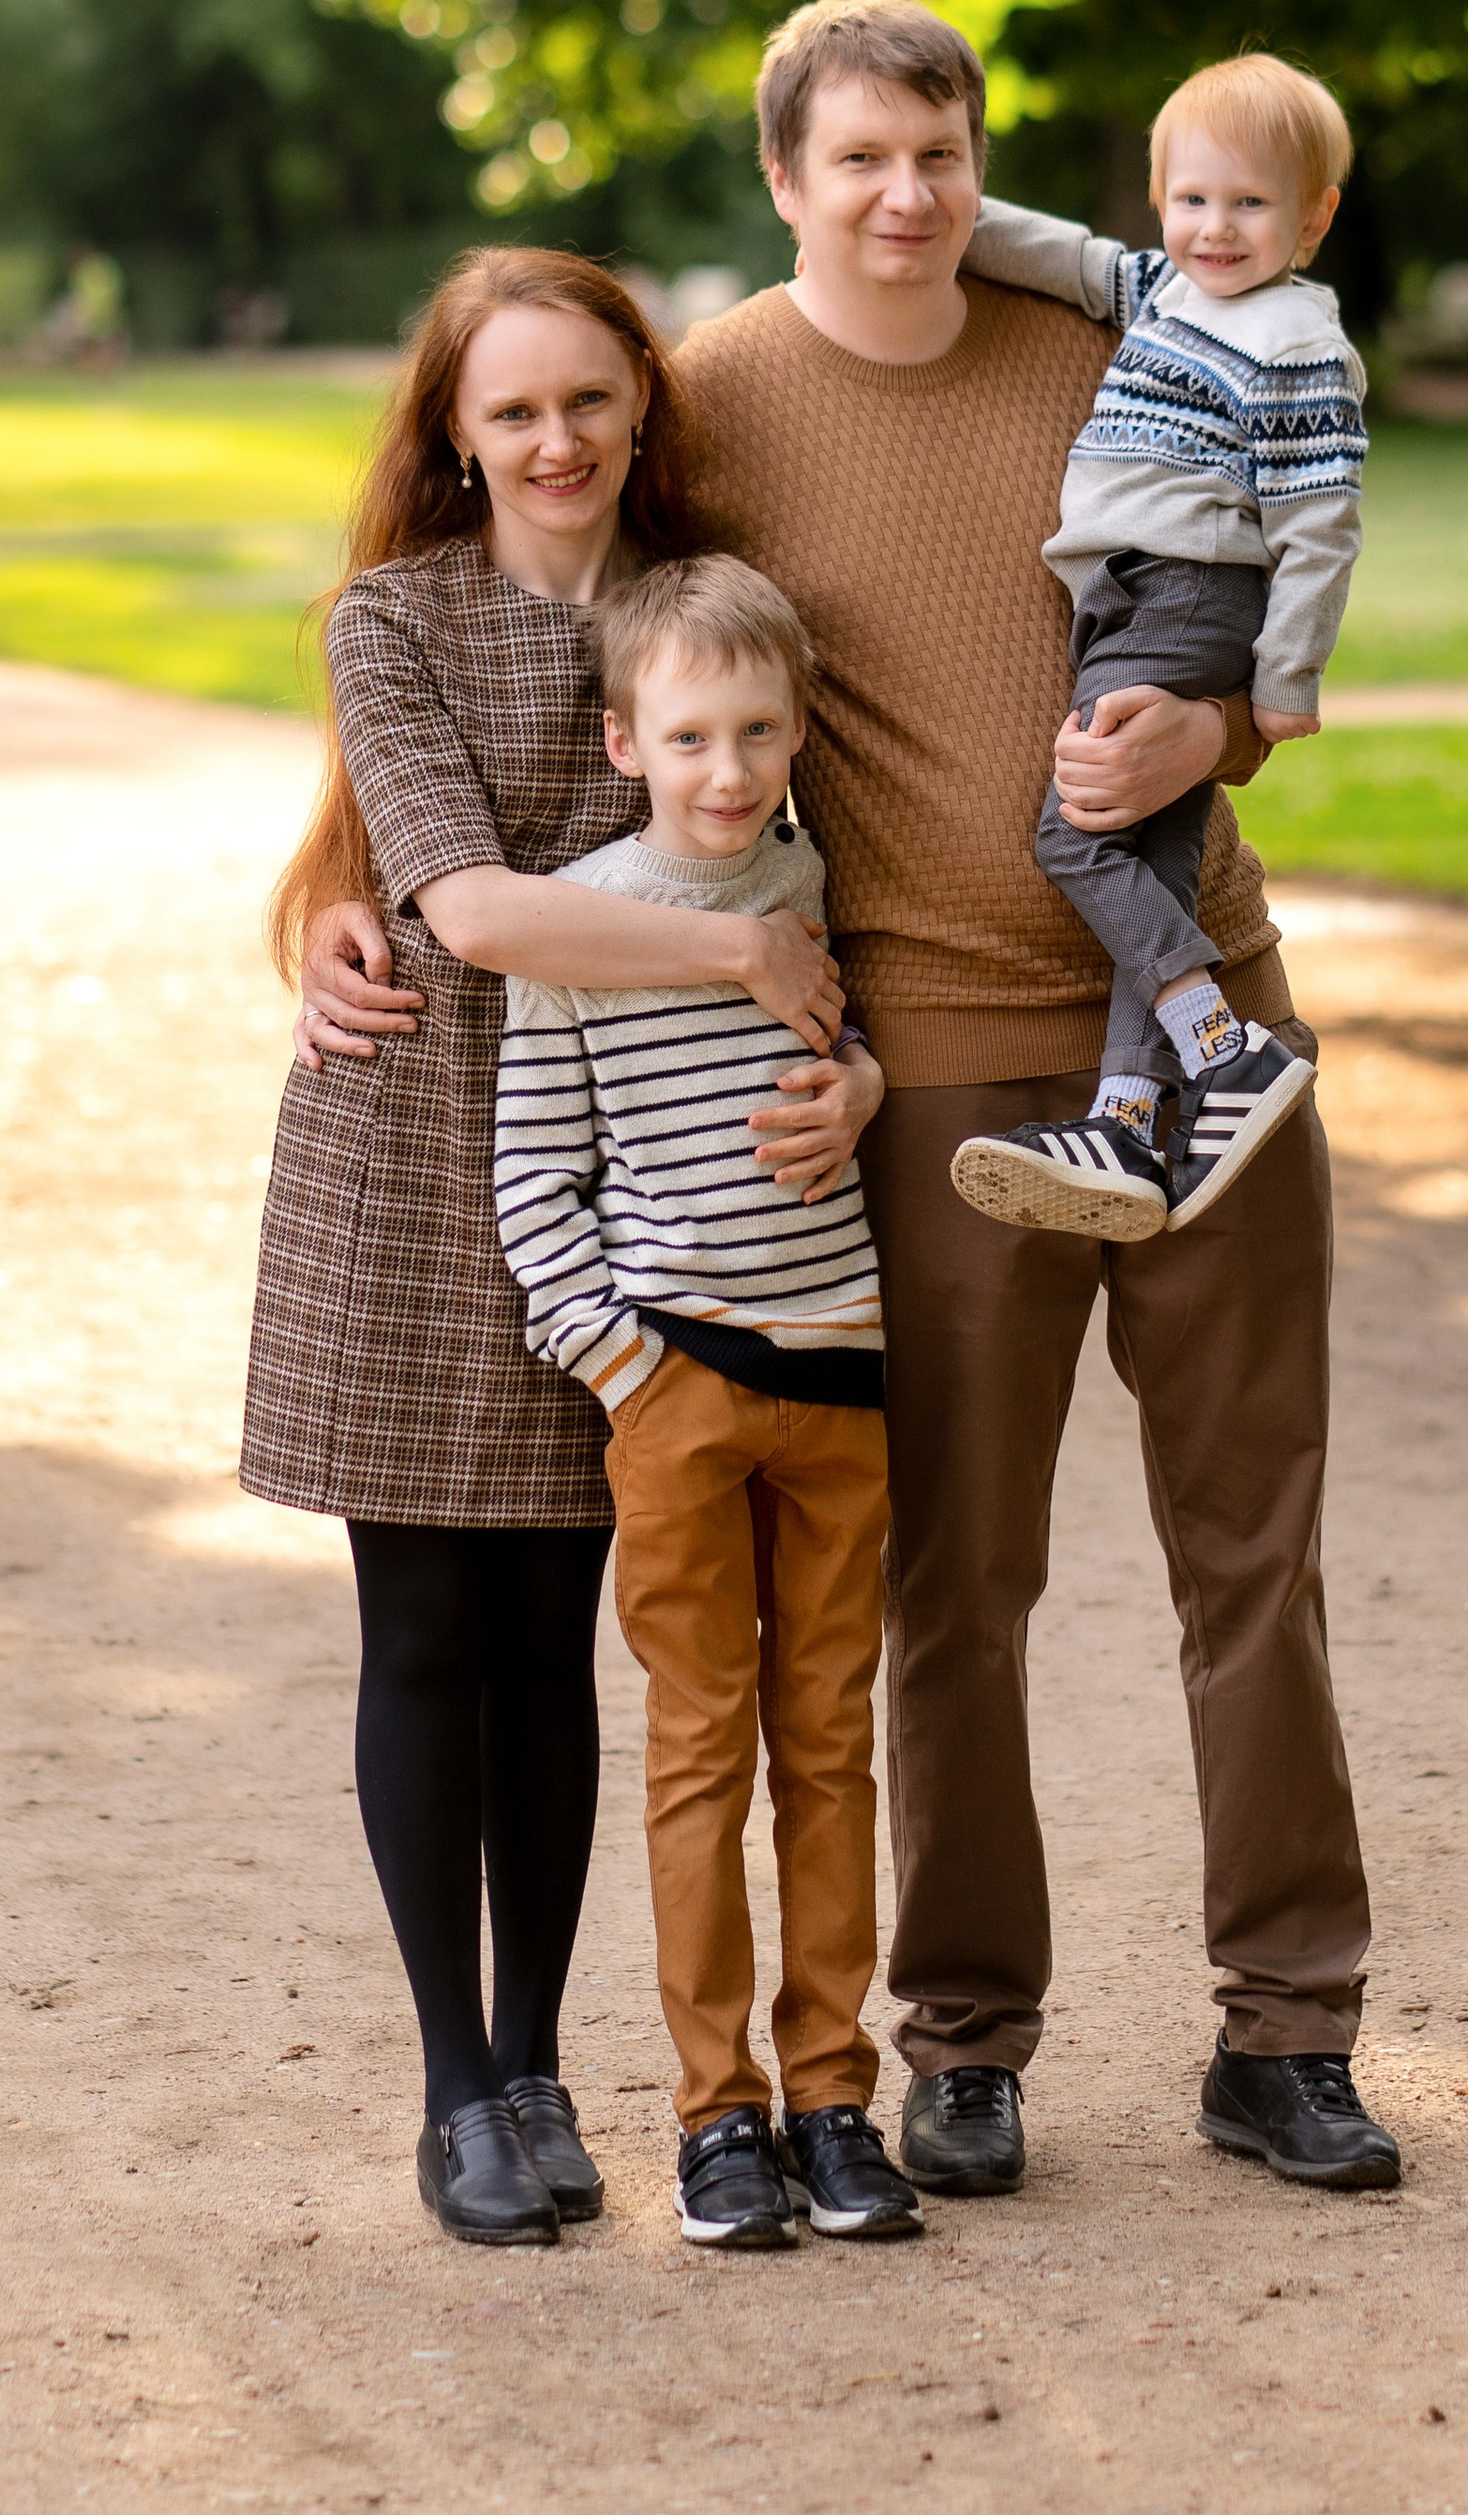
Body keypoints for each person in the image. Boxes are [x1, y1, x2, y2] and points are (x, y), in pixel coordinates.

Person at [303, 0, 1399, 2205]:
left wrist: (1227, 740)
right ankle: (964, 2044)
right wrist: (333, 882)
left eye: (938, 151)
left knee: (1250, 1555)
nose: (904, 195)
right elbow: (570, 671)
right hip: (936, 1073)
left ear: (975, 160)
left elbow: (1257, 576)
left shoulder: (1113, 342)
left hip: (1200, 1031)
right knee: (950, 1591)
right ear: (784, 176)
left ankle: (1284, 2032)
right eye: (858, 158)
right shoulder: (702, 408)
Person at [242, 250, 880, 2251]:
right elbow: (470, 911)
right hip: (421, 1161)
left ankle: (540, 2062)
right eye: (511, 408)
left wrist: (842, 1062)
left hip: (655, 1197)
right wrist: (729, 956)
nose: (554, 440)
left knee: (554, 1645)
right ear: (453, 430)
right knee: (425, 1634)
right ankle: (455, 2086)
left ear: (639, 407)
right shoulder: (390, 619)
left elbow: (807, 870)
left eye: (588, 400)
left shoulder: (701, 608)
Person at [493, 554, 919, 2252]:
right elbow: (538, 1181)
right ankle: (716, 2117)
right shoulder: (578, 927)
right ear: (626, 743)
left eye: (757, 731)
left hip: (846, 1384)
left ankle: (833, 2099)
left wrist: (871, 1083)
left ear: (801, 730)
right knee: (698, 1755)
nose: (728, 771)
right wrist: (626, 1366)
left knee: (832, 1752)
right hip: (677, 1386)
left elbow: (868, 1049)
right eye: (691, 738)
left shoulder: (820, 880)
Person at [948, 53, 1368, 1242]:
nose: (1215, 227)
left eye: (1249, 204)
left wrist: (1283, 683)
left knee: (1074, 831)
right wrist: (939, 210)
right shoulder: (1165, 293)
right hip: (1133, 603)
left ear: (1313, 217)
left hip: (1184, 600)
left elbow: (1319, 528)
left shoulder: (1295, 344)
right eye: (1191, 200)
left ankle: (1222, 1046)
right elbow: (1064, 257)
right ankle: (1129, 1123)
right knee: (1152, 855)